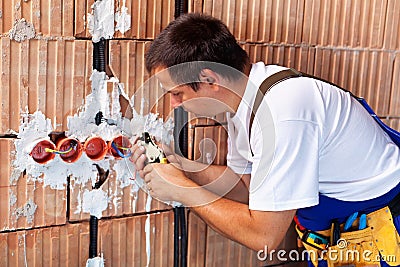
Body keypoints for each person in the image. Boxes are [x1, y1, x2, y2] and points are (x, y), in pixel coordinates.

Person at [130, 13, 400, 266]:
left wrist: (182, 191)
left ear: (209, 78)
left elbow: (265, 237)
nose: (174, 105)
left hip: (382, 231)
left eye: (177, 94)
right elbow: (247, 186)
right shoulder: (243, 101)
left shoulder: (282, 112)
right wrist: (181, 167)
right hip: (342, 229)